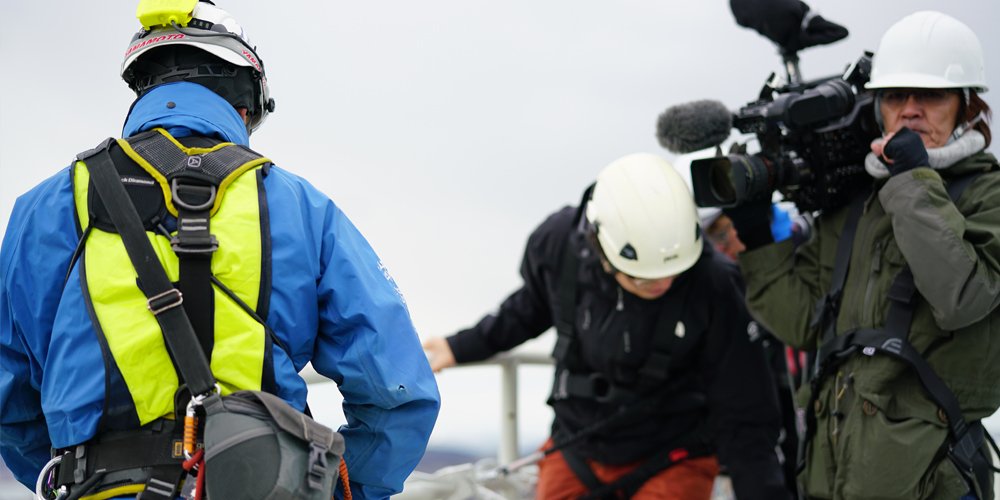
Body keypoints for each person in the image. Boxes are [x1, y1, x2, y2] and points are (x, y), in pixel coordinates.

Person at [0, 2, 439, 500]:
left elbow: (8, 396)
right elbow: (399, 395)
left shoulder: (46, 208)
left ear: (143, 90)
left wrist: (59, 477)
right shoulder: (304, 209)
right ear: (246, 105)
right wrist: (343, 489)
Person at [731, 11, 1000, 500]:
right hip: (833, 476)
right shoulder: (860, 201)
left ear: (966, 106)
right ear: (878, 108)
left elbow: (964, 296)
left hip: (929, 483)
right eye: (895, 96)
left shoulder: (989, 194)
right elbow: (805, 324)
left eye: (932, 96)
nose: (910, 110)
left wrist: (911, 183)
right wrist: (757, 238)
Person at [423, 153, 790, 500]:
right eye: (643, 277)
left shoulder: (716, 286)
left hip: (676, 450)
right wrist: (461, 346)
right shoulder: (559, 246)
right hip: (576, 442)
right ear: (601, 247)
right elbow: (528, 308)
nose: (662, 283)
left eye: (672, 273)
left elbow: (746, 415)